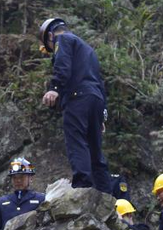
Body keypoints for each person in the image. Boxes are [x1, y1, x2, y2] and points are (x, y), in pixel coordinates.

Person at [38, 17, 127, 198]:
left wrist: (55, 88)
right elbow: (100, 82)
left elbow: (63, 65)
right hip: (95, 99)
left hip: (77, 98)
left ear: (49, 35)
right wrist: (102, 116)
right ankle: (106, 194)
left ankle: (82, 187)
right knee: (95, 149)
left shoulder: (62, 40)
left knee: (76, 140)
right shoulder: (88, 49)